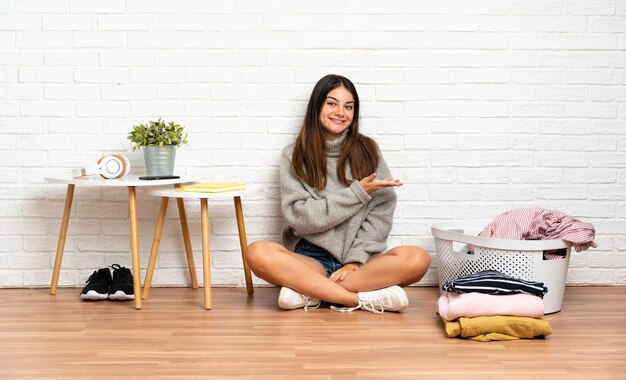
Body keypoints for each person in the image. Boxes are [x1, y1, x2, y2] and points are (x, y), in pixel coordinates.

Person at [245, 74, 431, 313]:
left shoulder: (368, 150)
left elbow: (380, 214)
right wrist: (357, 193)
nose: (340, 112)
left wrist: (355, 260)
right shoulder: (293, 155)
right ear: (317, 106)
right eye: (332, 103)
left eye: (348, 106)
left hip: (360, 264)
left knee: (418, 258)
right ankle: (358, 300)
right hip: (311, 261)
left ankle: (311, 292)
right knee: (257, 252)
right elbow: (301, 217)